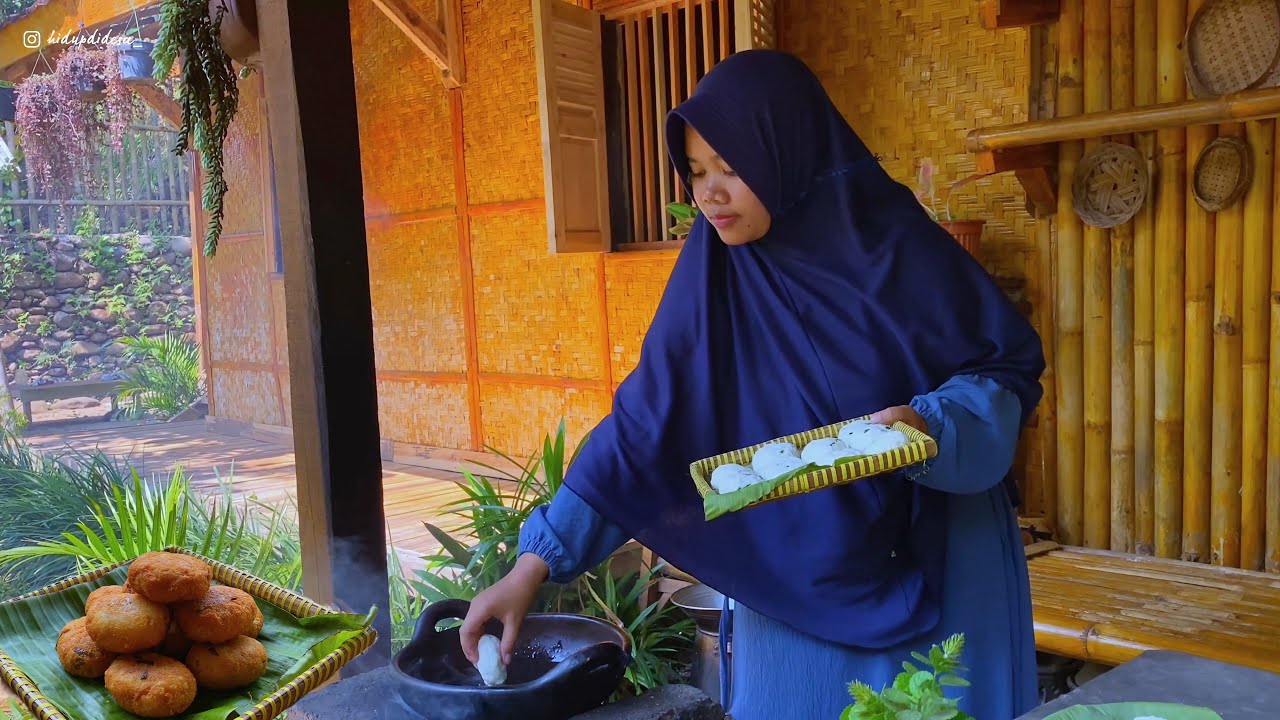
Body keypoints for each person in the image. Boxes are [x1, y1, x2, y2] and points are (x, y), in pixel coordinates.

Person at [460, 49, 1046, 720]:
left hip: (941, 564)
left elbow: (1002, 377)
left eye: (731, 169)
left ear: (788, 152)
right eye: (697, 170)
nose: (708, 193)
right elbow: (643, 429)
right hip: (790, 574)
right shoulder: (714, 282)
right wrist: (531, 566)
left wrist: (931, 425)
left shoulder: (904, 257)